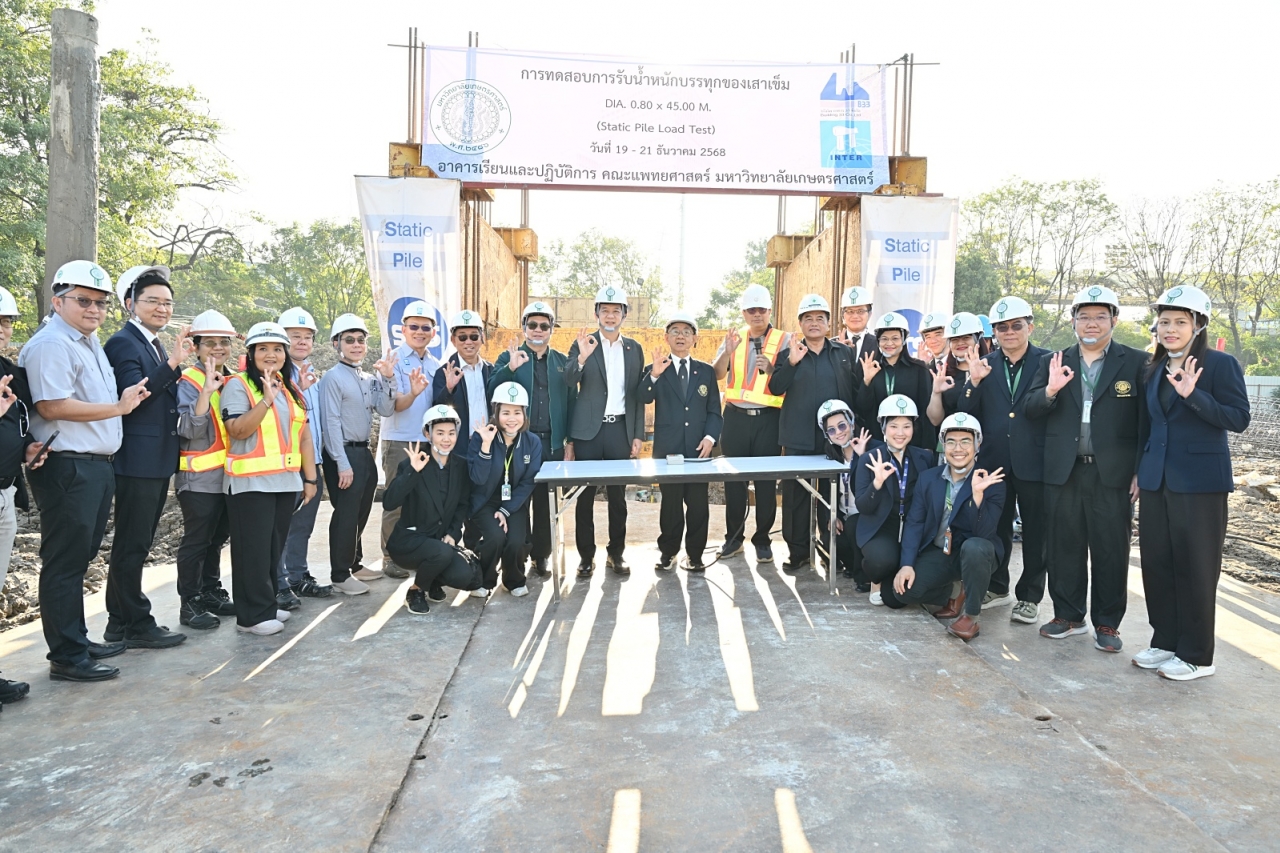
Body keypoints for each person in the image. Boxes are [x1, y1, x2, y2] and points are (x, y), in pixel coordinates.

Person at [21, 261, 149, 681]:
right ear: (58, 301)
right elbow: (51, 406)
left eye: (100, 303)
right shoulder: (52, 344)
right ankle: (67, 656)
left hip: (93, 466)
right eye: (83, 300)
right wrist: (118, 408)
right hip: (68, 466)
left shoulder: (86, 342)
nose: (94, 309)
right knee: (64, 561)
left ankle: (76, 640)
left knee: (78, 558)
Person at [1135, 286, 1249, 680]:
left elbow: (1238, 418)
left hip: (1200, 483)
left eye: (1180, 322)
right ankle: (1165, 641)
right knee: (1157, 563)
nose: (1170, 329)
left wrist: (1194, 395)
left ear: (1198, 325)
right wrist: (1140, 471)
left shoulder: (1220, 364)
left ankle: (1197, 655)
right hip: (1157, 481)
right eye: (1164, 321)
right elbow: (1150, 426)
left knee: (1196, 567)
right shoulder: (1153, 367)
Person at [1025, 285, 1148, 652]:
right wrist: (1050, 390)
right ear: (1073, 320)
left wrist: (1140, 469)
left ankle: (1107, 623)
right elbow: (1031, 409)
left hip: (1113, 472)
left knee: (1111, 548)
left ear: (1114, 320)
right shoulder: (1054, 360)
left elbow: (1148, 421)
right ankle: (1068, 615)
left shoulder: (1137, 362)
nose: (1091, 324)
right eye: (1084, 317)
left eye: (1099, 317)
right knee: (1064, 545)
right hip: (1064, 470)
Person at [99, 265, 191, 649]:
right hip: (137, 458)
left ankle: (118, 622)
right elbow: (133, 395)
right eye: (153, 301)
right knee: (132, 543)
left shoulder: (151, 342)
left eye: (167, 302)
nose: (162, 308)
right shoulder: (124, 343)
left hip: (155, 458)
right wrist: (172, 365)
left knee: (136, 541)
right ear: (129, 303)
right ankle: (137, 622)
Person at [956, 296, 1051, 622]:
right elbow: (965, 415)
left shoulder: (1048, 361)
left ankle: (1030, 597)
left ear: (1030, 327)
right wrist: (973, 382)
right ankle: (997, 587)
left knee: (1036, 532)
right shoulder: (984, 364)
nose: (1009, 332)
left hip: (1035, 461)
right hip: (994, 461)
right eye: (1001, 327)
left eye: (1016, 325)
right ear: (993, 332)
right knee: (995, 527)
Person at [221, 322, 319, 635]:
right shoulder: (238, 385)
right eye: (263, 349)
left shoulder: (289, 388)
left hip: (285, 482)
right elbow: (237, 430)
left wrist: (310, 479)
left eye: (277, 349)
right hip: (250, 484)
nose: (271, 354)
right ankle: (251, 617)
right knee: (252, 551)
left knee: (272, 551)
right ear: (251, 353)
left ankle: (266, 604)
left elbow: (304, 435)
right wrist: (264, 400)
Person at [885, 413, 1005, 641]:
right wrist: (907, 564)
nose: (958, 448)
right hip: (941, 551)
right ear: (943, 445)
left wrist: (977, 496)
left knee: (975, 547)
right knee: (901, 593)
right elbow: (915, 522)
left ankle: (971, 615)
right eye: (951, 442)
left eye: (965, 441)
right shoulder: (928, 478)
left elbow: (985, 534)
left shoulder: (992, 481)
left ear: (977, 445)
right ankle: (954, 591)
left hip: (975, 554)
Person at [768, 294, 858, 573]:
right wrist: (792, 363)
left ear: (829, 323)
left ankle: (831, 551)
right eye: (808, 318)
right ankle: (798, 553)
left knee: (832, 497)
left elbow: (854, 391)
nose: (814, 323)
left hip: (835, 440)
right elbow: (775, 388)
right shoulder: (789, 354)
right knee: (796, 498)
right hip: (798, 439)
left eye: (820, 318)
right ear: (800, 324)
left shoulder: (843, 354)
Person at [488, 300, 575, 577]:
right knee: (518, 501)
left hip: (551, 443)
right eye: (533, 324)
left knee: (546, 503)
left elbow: (572, 402)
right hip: (518, 443)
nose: (538, 330)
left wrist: (570, 442)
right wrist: (510, 369)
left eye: (544, 325)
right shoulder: (509, 357)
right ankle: (518, 554)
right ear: (524, 327)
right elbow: (491, 391)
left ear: (551, 329)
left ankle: (541, 555)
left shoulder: (561, 362)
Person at [564, 286, 645, 577]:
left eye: (616, 311)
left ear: (624, 314)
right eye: (605, 310)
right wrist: (582, 358)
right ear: (596, 313)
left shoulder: (633, 349)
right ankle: (586, 557)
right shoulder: (583, 343)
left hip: (619, 430)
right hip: (588, 433)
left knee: (618, 498)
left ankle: (616, 553)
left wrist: (637, 434)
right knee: (584, 497)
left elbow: (636, 394)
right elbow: (568, 380)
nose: (610, 316)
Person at [711, 283, 789, 563]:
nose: (757, 314)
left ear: (770, 311)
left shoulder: (785, 340)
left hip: (769, 420)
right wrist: (726, 352)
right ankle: (734, 539)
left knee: (766, 484)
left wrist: (772, 369)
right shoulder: (735, 338)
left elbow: (789, 378)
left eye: (762, 309)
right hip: (735, 420)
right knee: (734, 483)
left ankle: (763, 541)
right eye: (751, 310)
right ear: (744, 313)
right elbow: (717, 374)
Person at [173, 310, 240, 630]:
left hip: (230, 476)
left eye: (223, 343)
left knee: (216, 539)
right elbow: (188, 429)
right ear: (196, 347)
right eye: (210, 343)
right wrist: (207, 394)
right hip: (199, 479)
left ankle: (211, 591)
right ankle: (190, 603)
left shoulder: (235, 380)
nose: (218, 348)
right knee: (197, 541)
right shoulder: (189, 381)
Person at [319, 313, 395, 595]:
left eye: (360, 340)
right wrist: (341, 463)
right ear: (336, 343)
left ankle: (354, 563)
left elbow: (385, 409)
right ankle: (340, 575)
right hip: (342, 453)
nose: (356, 345)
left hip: (363, 451)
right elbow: (330, 423)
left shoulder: (367, 378)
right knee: (346, 515)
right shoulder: (332, 378)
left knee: (362, 509)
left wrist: (388, 379)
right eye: (349, 340)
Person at [641, 311, 723, 572]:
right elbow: (643, 396)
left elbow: (714, 411)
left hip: (699, 451)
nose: (681, 336)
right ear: (666, 337)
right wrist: (654, 375)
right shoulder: (657, 367)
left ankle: (695, 554)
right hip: (669, 450)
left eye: (687, 332)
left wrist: (710, 438)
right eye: (675, 331)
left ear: (695, 339)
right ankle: (668, 552)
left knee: (698, 505)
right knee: (671, 504)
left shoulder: (706, 372)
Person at [386, 405, 482, 615]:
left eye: (451, 433)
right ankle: (416, 590)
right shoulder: (413, 463)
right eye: (440, 433)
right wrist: (412, 472)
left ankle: (432, 579)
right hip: (409, 542)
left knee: (467, 576)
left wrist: (453, 533)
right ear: (427, 434)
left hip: (440, 541)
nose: (446, 439)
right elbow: (389, 503)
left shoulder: (460, 466)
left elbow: (462, 505)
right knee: (441, 552)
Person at [378, 300, 440, 579]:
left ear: (433, 333)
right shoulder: (393, 361)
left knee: (422, 503)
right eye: (414, 326)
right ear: (403, 329)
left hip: (426, 443)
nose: (419, 332)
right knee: (396, 501)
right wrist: (413, 393)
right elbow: (395, 406)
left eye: (425, 328)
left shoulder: (435, 364)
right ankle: (390, 557)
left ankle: (414, 552)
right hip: (400, 442)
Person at [855, 395, 935, 605]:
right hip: (881, 527)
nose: (900, 433)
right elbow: (863, 506)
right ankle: (875, 579)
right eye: (894, 426)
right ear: (883, 428)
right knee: (881, 560)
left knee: (898, 597)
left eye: (906, 426)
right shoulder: (869, 459)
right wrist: (877, 483)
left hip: (913, 526)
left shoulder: (924, 458)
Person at [467, 382, 544, 597]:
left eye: (517, 413)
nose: (512, 418)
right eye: (506, 413)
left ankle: (513, 580)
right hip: (485, 501)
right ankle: (483, 580)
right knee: (495, 537)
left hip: (513, 503)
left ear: (524, 414)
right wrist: (485, 446)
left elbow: (528, 481)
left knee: (516, 541)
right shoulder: (480, 437)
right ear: (496, 413)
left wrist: (506, 510)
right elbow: (477, 479)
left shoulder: (532, 442)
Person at [275, 307, 330, 604]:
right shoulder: (274, 376)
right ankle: (278, 583)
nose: (302, 342)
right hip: (286, 465)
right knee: (281, 527)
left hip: (312, 463)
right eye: (295, 336)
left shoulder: (312, 375)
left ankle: (297, 577)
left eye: (307, 337)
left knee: (302, 527)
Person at [0, 285, 39, 704]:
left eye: (5, 322)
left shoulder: (7, 371)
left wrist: (27, 448)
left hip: (6, 491)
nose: (1, 329)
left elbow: (15, 426)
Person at [856, 311, 935, 450]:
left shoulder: (919, 369)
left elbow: (925, 411)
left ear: (904, 339)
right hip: (877, 442)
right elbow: (863, 409)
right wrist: (867, 381)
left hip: (911, 443)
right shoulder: (870, 367)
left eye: (895, 338)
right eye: (884, 339)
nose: (889, 343)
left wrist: (926, 447)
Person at [816, 400, 872, 586]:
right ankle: (853, 566)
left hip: (866, 518)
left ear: (852, 424)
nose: (838, 432)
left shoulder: (872, 449)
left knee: (855, 527)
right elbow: (825, 493)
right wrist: (833, 516)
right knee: (830, 537)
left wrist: (862, 457)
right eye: (831, 430)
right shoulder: (831, 457)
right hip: (845, 517)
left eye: (842, 425)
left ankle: (864, 575)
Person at [431, 309, 493, 461]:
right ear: (453, 340)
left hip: (488, 443)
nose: (468, 342)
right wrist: (449, 389)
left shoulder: (491, 370)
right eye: (462, 337)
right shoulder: (444, 372)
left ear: (482, 338)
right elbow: (438, 410)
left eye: (474, 336)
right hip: (458, 448)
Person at [927, 312, 987, 427]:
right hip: (952, 436)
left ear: (978, 339)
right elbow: (935, 420)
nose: (960, 343)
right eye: (954, 339)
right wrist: (936, 393)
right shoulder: (943, 375)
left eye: (966, 337)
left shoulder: (990, 369)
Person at [836, 286, 876, 360]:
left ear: (870, 314)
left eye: (860, 311)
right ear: (843, 315)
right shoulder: (832, 345)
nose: (855, 316)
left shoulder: (878, 344)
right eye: (850, 311)